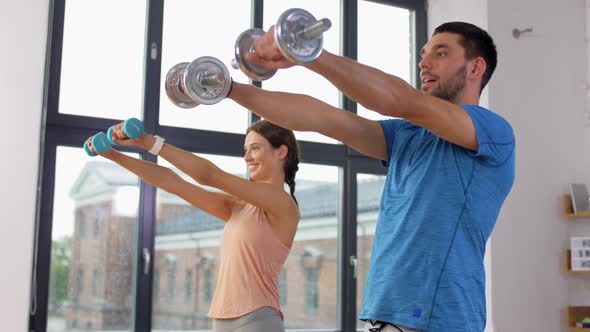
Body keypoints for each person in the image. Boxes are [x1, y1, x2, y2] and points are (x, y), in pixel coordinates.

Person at [221, 21, 515, 332]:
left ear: (475, 68)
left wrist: (308, 54)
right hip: (383, 317)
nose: (424, 63)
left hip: (439, 318)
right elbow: (322, 117)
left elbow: (400, 100)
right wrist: (229, 89)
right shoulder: (407, 134)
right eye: (423, 54)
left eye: (440, 53)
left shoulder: (492, 131)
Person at [85, 119, 300, 332]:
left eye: (255, 148)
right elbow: (174, 183)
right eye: (246, 149)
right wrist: (113, 155)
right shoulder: (239, 207)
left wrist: (149, 143)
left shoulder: (283, 204)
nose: (246, 157)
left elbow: (209, 176)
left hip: (257, 320)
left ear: (281, 152)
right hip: (223, 320)